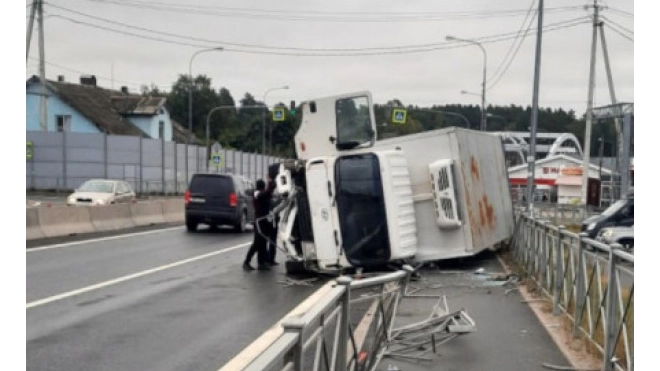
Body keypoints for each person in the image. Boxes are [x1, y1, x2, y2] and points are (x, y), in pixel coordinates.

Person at [243, 177, 275, 271]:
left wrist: (272, 185)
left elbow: (268, 194)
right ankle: (246, 262)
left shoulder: (263, 194)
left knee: (263, 243)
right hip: (259, 222)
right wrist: (270, 183)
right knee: (257, 243)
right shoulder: (257, 193)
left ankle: (261, 263)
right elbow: (266, 193)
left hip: (264, 221)